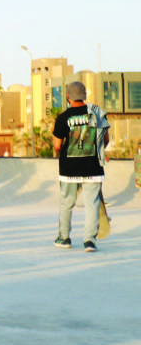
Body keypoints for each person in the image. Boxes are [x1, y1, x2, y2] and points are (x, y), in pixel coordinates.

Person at [52, 81, 110, 252]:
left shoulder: (63, 118)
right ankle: (89, 241)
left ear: (68, 97)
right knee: (92, 203)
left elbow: (56, 146)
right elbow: (105, 141)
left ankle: (64, 238)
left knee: (66, 203)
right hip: (93, 167)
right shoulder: (97, 114)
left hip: (69, 169)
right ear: (84, 96)